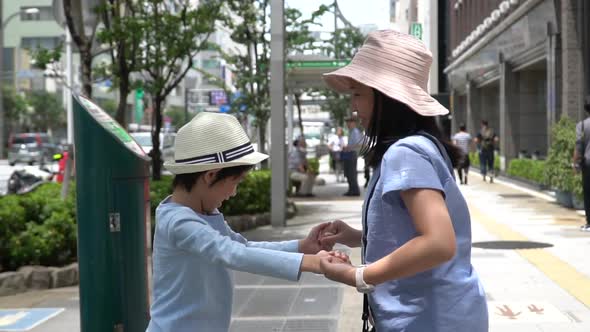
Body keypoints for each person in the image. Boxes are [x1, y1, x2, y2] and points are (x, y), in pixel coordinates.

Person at [317, 30, 488, 332]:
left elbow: (438, 242)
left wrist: (358, 275)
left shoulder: (405, 153)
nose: (353, 107)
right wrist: (359, 235)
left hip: (428, 319)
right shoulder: (422, 145)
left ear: (386, 97)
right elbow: (410, 232)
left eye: (358, 93)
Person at [147, 112, 341, 332]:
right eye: (235, 182)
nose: (234, 193)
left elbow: (243, 247)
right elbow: (232, 253)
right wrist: (311, 263)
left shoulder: (205, 213)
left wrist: (301, 247)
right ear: (211, 175)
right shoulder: (178, 221)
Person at [574, 96, 590, 232]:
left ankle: (589, 223)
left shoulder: (582, 125)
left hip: (588, 164)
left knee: (588, 192)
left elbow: (579, 147)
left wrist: (576, 164)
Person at [342, 116, 363, 196]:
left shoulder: (355, 132)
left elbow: (359, 144)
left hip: (352, 154)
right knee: (348, 173)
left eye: (349, 122)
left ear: (353, 123)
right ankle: (351, 189)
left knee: (352, 173)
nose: (348, 124)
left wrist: (349, 147)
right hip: (349, 153)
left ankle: (354, 191)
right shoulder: (351, 132)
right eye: (347, 122)